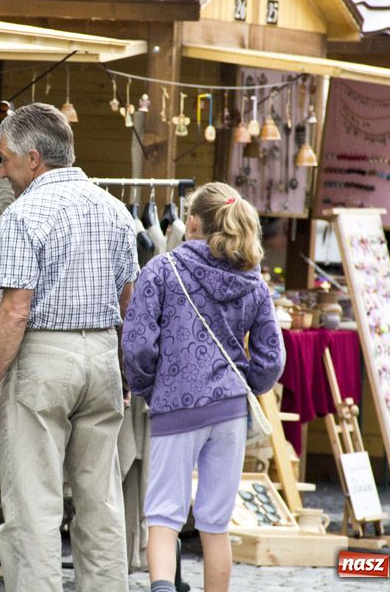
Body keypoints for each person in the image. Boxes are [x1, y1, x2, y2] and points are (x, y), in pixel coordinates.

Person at [0, 103, 138, 592]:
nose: (1, 170)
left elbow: (16, 310)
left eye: (5, 159)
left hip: (44, 358)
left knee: (33, 505)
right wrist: (122, 371)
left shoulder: (23, 214)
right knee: (100, 501)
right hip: (104, 354)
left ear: (35, 158)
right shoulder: (115, 209)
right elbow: (130, 301)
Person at [121, 182, 284, 592]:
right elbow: (272, 357)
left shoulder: (161, 269)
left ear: (191, 222)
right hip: (230, 411)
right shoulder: (254, 281)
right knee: (215, 523)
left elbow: (137, 343)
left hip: (175, 405)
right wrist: (247, 384)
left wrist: (146, 386)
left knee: (163, 517)